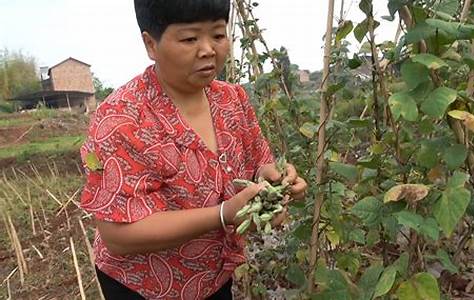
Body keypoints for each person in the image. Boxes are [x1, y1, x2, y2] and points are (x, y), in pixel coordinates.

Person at [79, 0, 307, 299]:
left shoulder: (231, 99)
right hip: (145, 287)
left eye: (218, 35)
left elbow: (258, 161)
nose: (208, 50)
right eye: (189, 38)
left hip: (214, 275)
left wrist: (276, 183)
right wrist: (223, 214)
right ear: (151, 44)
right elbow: (118, 235)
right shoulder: (121, 119)